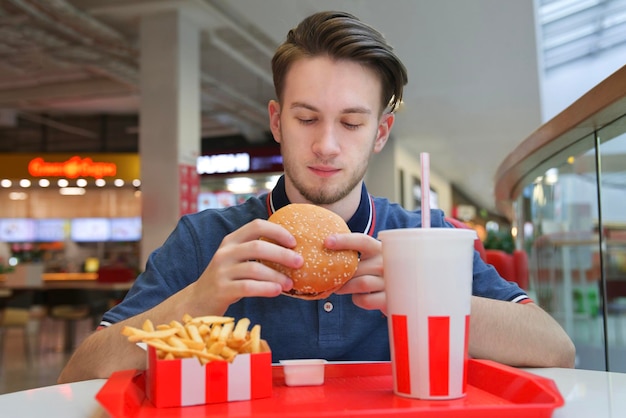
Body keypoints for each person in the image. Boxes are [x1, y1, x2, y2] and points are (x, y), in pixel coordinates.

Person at [58, 11, 574, 383]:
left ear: (380, 133)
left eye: (351, 122)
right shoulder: (206, 240)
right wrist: (199, 298)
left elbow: (555, 349)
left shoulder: (423, 235)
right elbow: (80, 372)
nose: (326, 145)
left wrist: (423, 299)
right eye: (306, 119)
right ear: (277, 121)